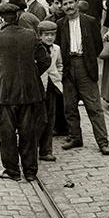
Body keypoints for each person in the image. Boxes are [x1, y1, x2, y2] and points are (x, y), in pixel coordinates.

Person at [0, 4, 51, 181]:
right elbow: (45, 60)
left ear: (1, 19)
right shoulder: (30, 35)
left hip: (4, 93)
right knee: (28, 132)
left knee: (6, 133)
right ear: (18, 16)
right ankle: (30, 172)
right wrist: (32, 75)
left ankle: (12, 170)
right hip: (29, 92)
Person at [55, 0, 109, 155]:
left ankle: (103, 142)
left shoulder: (90, 21)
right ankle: (75, 138)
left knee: (94, 107)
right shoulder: (60, 24)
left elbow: (98, 45)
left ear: (77, 3)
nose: (68, 7)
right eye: (64, 4)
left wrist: (87, 60)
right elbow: (59, 47)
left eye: (71, 3)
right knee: (70, 106)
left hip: (85, 66)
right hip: (67, 67)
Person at [37, 20, 65, 161]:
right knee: (38, 120)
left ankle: (46, 150)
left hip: (52, 87)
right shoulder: (36, 49)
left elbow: (60, 64)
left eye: (52, 35)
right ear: (40, 35)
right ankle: (32, 145)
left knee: (50, 119)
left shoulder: (57, 49)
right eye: (46, 35)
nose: (49, 38)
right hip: (38, 88)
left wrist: (58, 76)